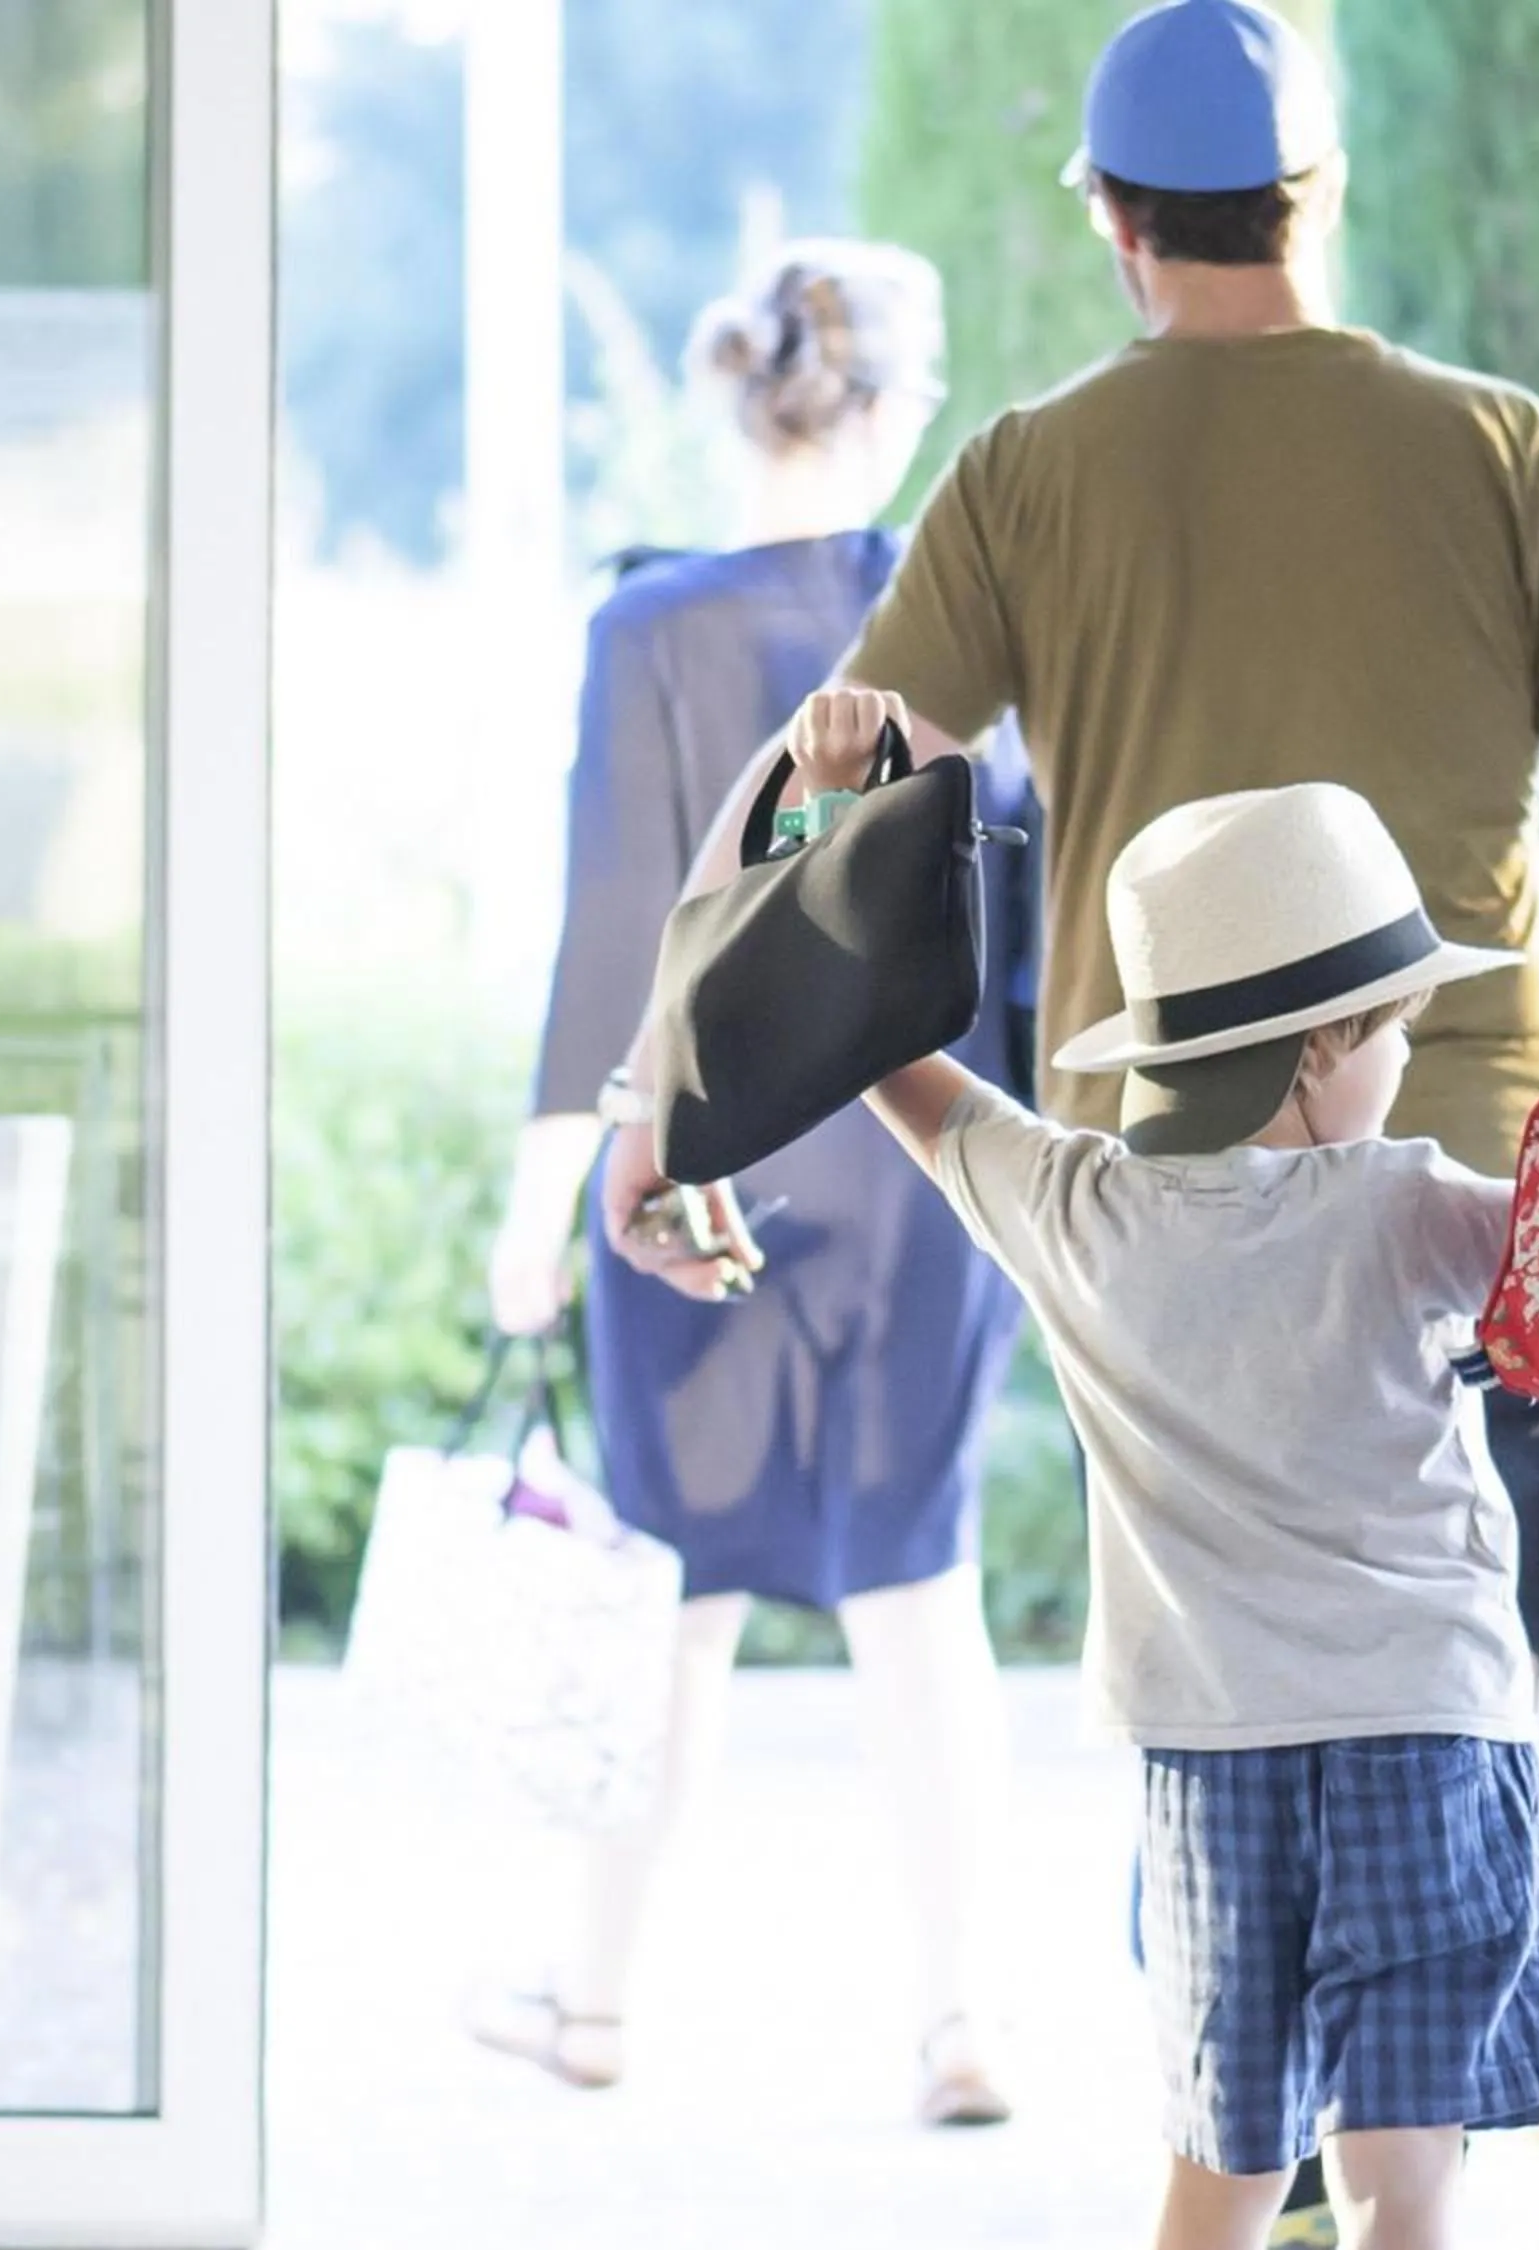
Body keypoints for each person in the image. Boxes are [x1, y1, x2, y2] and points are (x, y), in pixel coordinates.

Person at [600, 7, 1539, 2230]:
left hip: (1167, 1222)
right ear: (1315, 194)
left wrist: (658, 1119)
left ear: (1115, 222)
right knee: (1440, 1703)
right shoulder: (1498, 446)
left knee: (1233, 1728)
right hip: (1483, 1223)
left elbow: (815, 796)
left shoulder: (1036, 469)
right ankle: (1381, 2177)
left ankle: (1251, 2133)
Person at [760, 688, 1539, 2250]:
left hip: (1209, 1748)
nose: (1402, 1060)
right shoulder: (1411, 1206)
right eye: (1390, 1031)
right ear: (1319, 1050)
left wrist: (832, 815)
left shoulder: (1071, 1210)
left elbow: (884, 1056)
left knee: (1221, 2165)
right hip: (1425, 1727)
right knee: (1402, 2177)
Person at [477, 241, 1033, 2127]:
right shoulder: (968, 631)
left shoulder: (647, 631)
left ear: (740, 397)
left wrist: (538, 1209)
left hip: (690, 1173)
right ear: (893, 408)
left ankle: (599, 1999)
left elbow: (614, 938)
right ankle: (963, 2023)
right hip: (929, 1166)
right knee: (919, 1593)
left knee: (676, 1601)